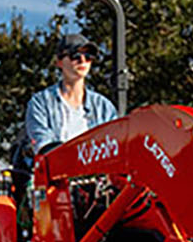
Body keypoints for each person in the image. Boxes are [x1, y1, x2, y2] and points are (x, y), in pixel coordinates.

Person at [16, 30, 119, 193]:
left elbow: (115, 147)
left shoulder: (104, 107)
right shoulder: (40, 103)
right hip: (54, 187)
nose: (83, 61)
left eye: (88, 56)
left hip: (96, 188)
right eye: (75, 56)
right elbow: (44, 147)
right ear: (59, 62)